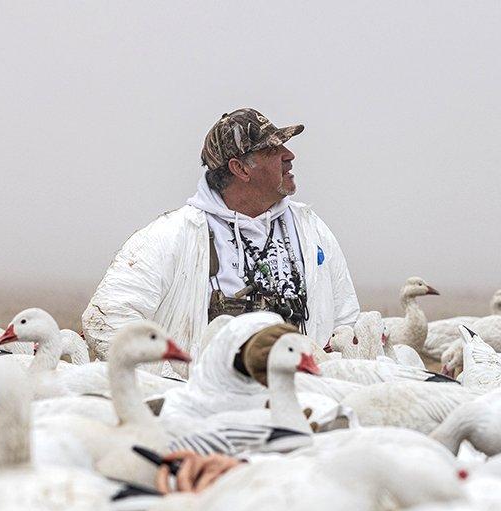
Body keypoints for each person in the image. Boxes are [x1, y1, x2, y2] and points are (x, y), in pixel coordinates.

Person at [82, 108, 359, 367]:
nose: (289, 155)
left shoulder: (311, 231)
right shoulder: (171, 236)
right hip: (209, 414)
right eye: (273, 149)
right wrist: (181, 385)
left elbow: (346, 321)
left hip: (298, 402)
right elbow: (106, 321)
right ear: (240, 168)